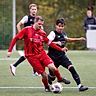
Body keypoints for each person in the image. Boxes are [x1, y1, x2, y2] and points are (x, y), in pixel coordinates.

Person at [7, 16, 71, 92]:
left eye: (42, 24)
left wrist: (61, 49)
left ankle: (60, 79)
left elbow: (50, 43)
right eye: (39, 24)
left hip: (42, 54)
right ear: (35, 22)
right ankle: (47, 87)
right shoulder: (26, 30)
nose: (40, 26)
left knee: (53, 67)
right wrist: (10, 50)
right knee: (44, 75)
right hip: (31, 56)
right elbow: (16, 38)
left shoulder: (42, 33)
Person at [47, 18, 88, 91]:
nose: (60, 28)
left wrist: (79, 39)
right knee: (52, 77)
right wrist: (57, 43)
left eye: (62, 26)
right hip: (52, 58)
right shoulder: (52, 33)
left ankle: (80, 86)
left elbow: (68, 39)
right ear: (56, 26)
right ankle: (49, 78)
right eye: (59, 26)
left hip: (62, 56)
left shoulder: (63, 34)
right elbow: (47, 41)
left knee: (71, 68)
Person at [10, 3, 40, 76]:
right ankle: (14, 65)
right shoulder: (27, 17)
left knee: (33, 54)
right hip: (28, 40)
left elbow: (39, 28)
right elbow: (18, 25)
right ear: (30, 10)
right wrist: (21, 34)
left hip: (35, 39)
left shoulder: (37, 19)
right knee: (30, 54)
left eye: (35, 9)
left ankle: (35, 71)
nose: (34, 11)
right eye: (32, 9)